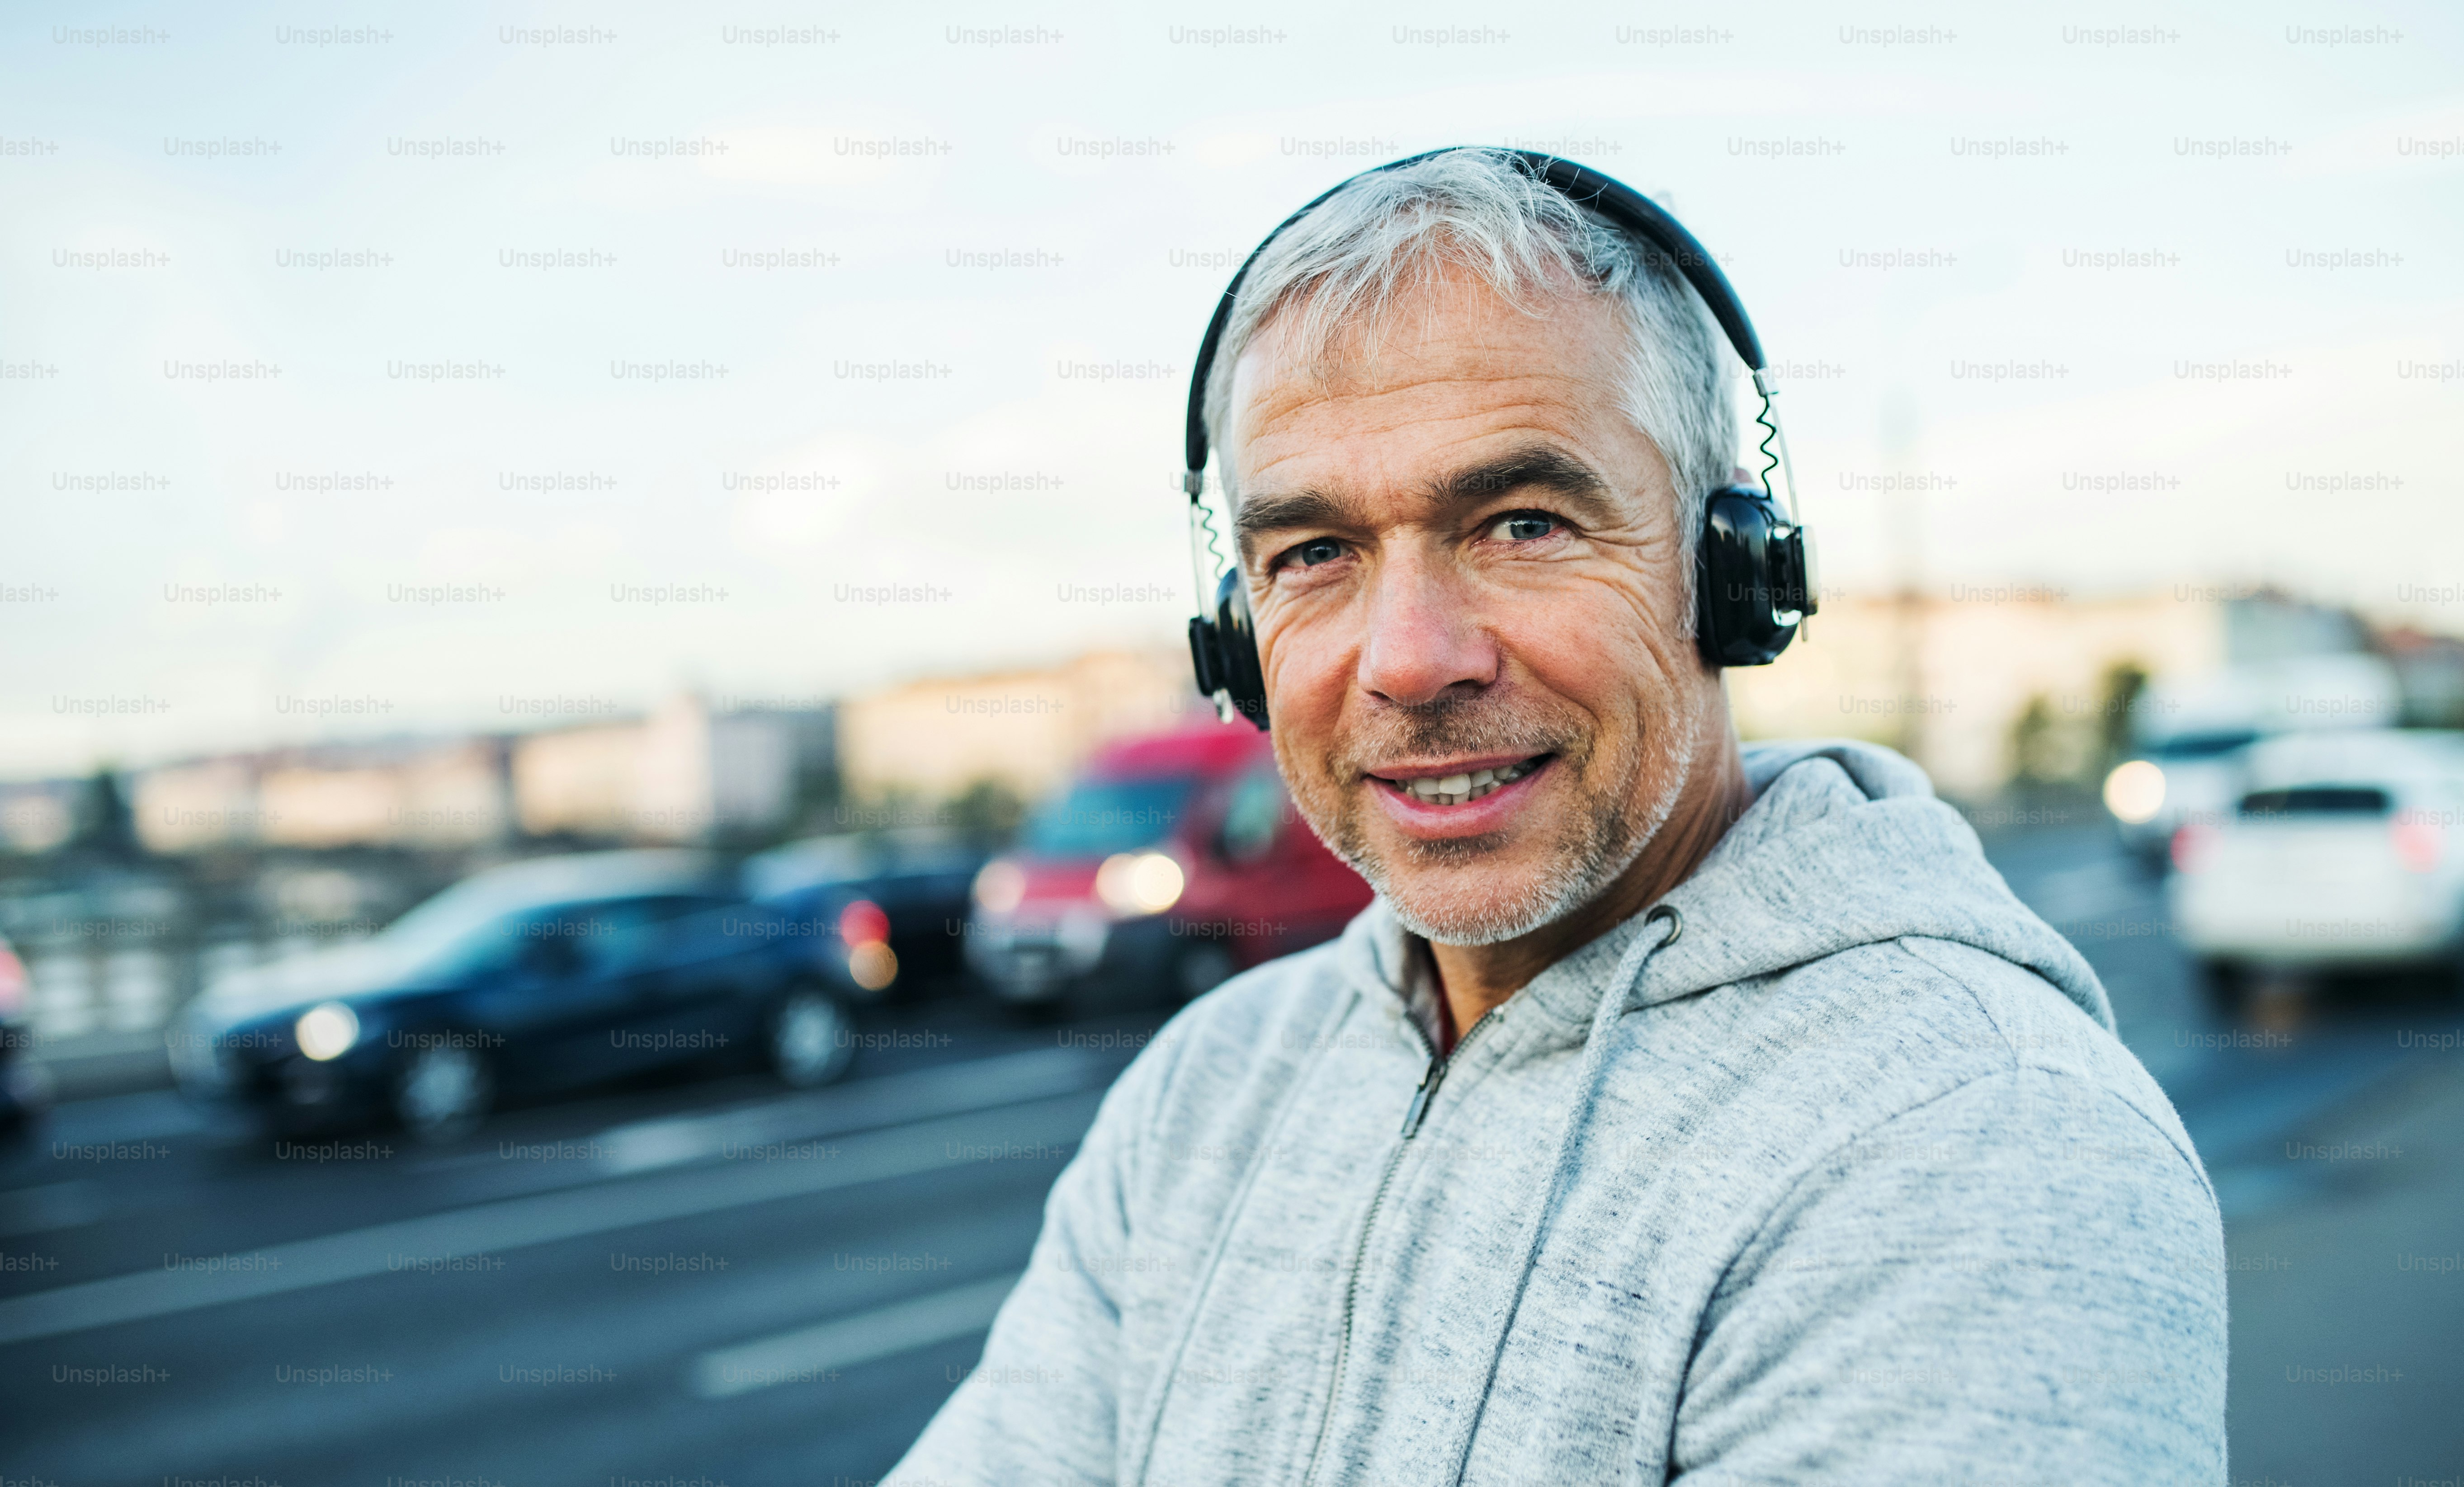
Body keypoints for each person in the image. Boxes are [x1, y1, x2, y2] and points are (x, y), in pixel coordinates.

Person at [890, 147, 2226, 1486]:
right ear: (1237, 634)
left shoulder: (1973, 1139)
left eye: (1520, 522)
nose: (1409, 659)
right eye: (1311, 554)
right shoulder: (1199, 1093)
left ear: (1729, 570)